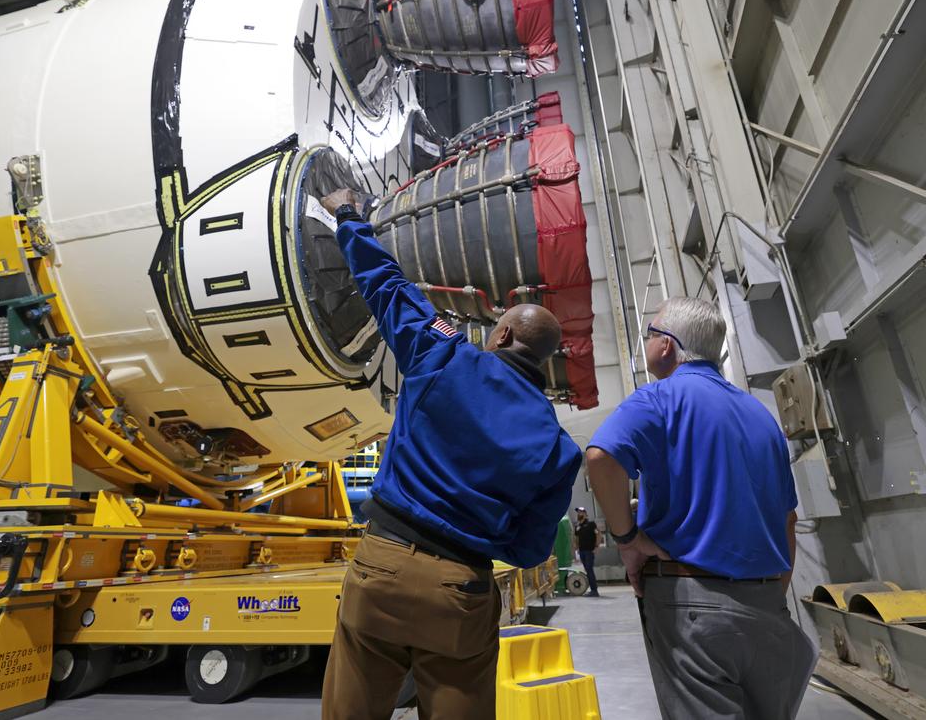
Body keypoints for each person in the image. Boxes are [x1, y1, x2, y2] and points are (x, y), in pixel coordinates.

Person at [318, 188, 582, 720]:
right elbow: (531, 550)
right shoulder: (559, 447)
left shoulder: (444, 353)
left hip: (381, 568)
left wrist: (349, 217)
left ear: (502, 334)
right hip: (461, 589)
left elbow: (388, 289)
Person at [585, 297, 816, 719]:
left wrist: (628, 539)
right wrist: (766, 596)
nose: (648, 341)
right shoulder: (760, 415)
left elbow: (601, 458)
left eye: (651, 334)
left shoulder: (658, 399)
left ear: (668, 346)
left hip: (692, 602)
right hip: (767, 603)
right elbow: (788, 519)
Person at [573, 506, 601, 596]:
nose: (579, 514)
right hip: (582, 551)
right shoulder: (577, 526)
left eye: (580, 512)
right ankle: (592, 589)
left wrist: (597, 546)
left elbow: (598, 534)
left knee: (589, 569)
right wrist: (576, 549)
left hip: (589, 551)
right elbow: (576, 538)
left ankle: (594, 590)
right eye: (578, 512)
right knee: (587, 569)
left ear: (585, 513)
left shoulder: (591, 524)